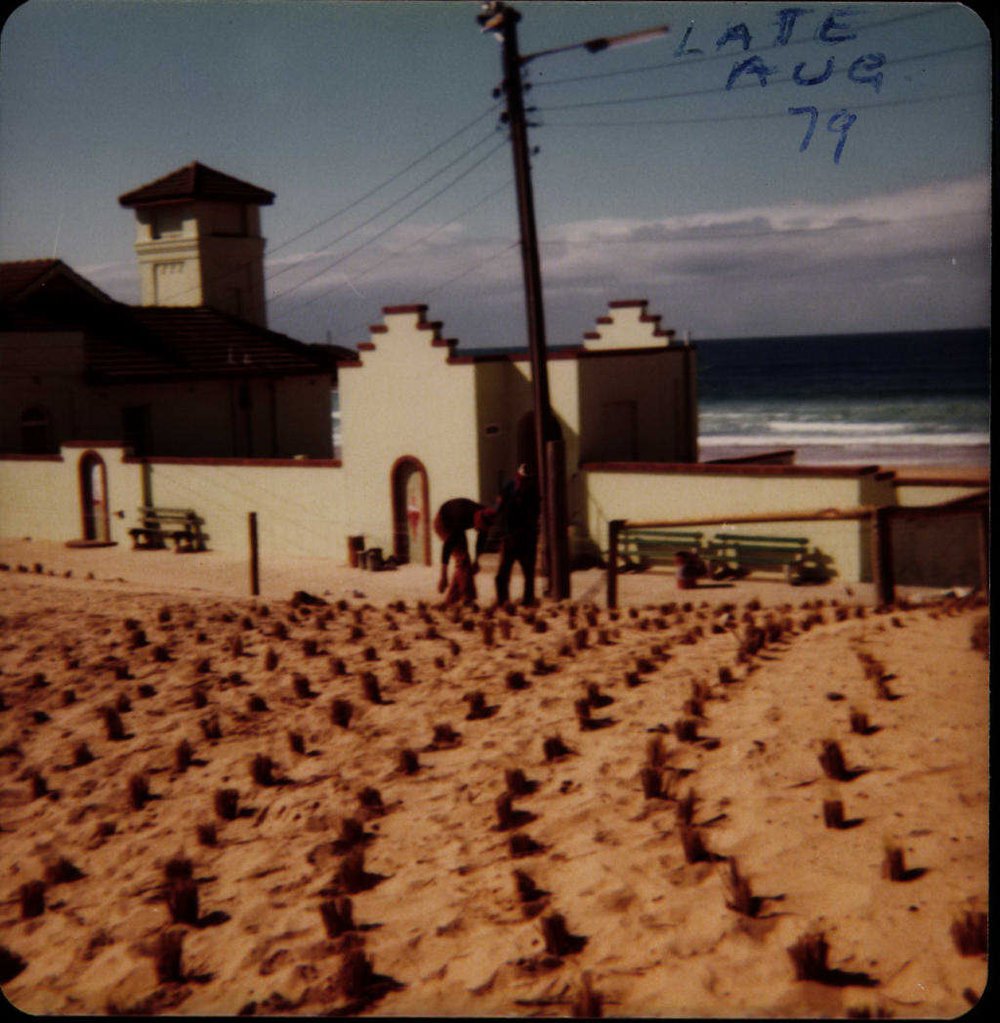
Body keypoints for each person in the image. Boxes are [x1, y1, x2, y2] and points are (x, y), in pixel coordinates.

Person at [493, 463, 540, 607]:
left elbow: (534, 515)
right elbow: (499, 510)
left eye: (527, 480)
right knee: (502, 574)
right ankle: (503, 601)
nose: (524, 482)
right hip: (509, 537)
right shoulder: (509, 488)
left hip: (526, 538)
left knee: (528, 574)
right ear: (518, 476)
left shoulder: (533, 493)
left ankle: (528, 602)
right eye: (522, 479)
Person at [432, 497, 493, 597]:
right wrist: (443, 576)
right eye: (479, 527)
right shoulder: (460, 517)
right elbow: (447, 547)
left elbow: (481, 541)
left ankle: (453, 599)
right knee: (463, 560)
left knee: (464, 562)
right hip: (443, 523)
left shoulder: (485, 515)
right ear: (477, 518)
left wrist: (476, 560)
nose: (478, 530)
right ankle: (467, 598)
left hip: (458, 525)